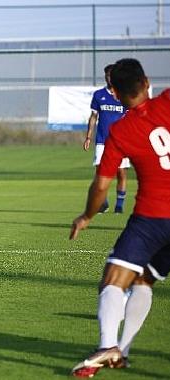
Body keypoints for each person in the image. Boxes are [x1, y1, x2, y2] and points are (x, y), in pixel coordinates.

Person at [69, 58, 170, 378]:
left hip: (153, 217)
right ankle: (121, 351)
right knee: (144, 279)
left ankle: (108, 345)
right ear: (146, 81)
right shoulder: (167, 101)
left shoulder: (122, 131)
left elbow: (101, 185)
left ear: (114, 91)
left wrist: (86, 215)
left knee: (114, 280)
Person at [83, 64, 128, 214]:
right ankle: (104, 202)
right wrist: (88, 136)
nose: (109, 78)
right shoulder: (99, 95)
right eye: (107, 75)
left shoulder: (124, 95)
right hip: (102, 140)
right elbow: (93, 116)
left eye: (111, 75)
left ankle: (119, 205)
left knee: (121, 172)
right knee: (100, 172)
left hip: (120, 141)